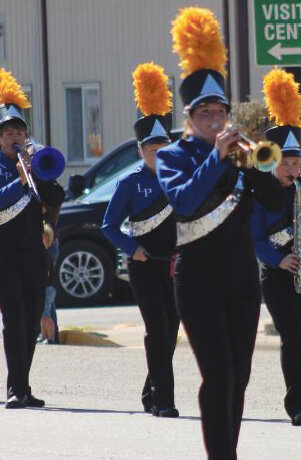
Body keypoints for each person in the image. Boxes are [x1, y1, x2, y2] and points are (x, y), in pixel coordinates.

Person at [156, 9, 283, 459]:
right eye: (205, 114)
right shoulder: (174, 156)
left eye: (220, 112)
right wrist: (217, 157)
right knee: (219, 374)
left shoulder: (239, 155)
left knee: (242, 376)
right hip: (197, 279)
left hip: (241, 277)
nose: (215, 121)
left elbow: (271, 201)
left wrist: (265, 164)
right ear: (190, 118)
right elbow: (186, 202)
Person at [0, 68, 64, 409]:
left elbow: (56, 198)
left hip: (32, 253)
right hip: (4, 254)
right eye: (7, 131)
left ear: (26, 135)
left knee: (31, 322)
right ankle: (15, 388)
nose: (14, 136)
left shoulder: (34, 161)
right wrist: (22, 180)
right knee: (14, 319)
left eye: (19, 130)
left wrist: (41, 172)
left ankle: (24, 386)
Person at [102, 62, 179, 417]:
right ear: (140, 150)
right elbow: (109, 226)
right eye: (151, 147)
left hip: (175, 266)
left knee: (172, 329)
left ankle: (152, 389)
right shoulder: (130, 183)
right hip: (145, 266)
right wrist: (134, 249)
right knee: (158, 330)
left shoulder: (181, 177)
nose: (158, 152)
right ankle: (165, 401)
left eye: (164, 145)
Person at [252, 67, 301, 427]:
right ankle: (296, 405)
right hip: (279, 276)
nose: (293, 168)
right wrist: (278, 259)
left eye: (297, 161)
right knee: (293, 339)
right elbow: (253, 238)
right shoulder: (262, 194)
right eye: (286, 161)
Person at [40, 222, 57, 344]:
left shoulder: (45, 256)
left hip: (47, 288)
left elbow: (46, 274)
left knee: (46, 314)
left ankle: (51, 337)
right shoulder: (41, 255)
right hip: (43, 288)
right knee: (41, 314)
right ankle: (44, 336)